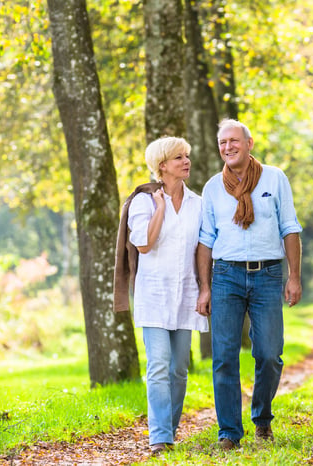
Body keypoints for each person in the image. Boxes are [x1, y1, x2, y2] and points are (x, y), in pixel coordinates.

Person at [195, 118, 302, 450]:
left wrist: (294, 276)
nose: (228, 147)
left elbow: (290, 227)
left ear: (249, 143)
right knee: (224, 356)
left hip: (268, 274)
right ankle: (228, 432)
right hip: (225, 275)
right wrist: (205, 286)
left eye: (234, 141)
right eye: (222, 142)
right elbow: (205, 240)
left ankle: (263, 418)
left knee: (269, 354)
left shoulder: (275, 178)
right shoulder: (213, 187)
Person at [114, 136, 209, 455]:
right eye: (179, 157)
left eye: (187, 156)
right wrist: (159, 208)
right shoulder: (143, 201)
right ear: (162, 165)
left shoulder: (197, 203)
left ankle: (170, 427)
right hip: (153, 294)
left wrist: (205, 289)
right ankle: (160, 437)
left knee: (179, 368)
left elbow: (201, 249)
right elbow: (143, 244)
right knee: (158, 365)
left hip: (186, 294)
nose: (187, 161)